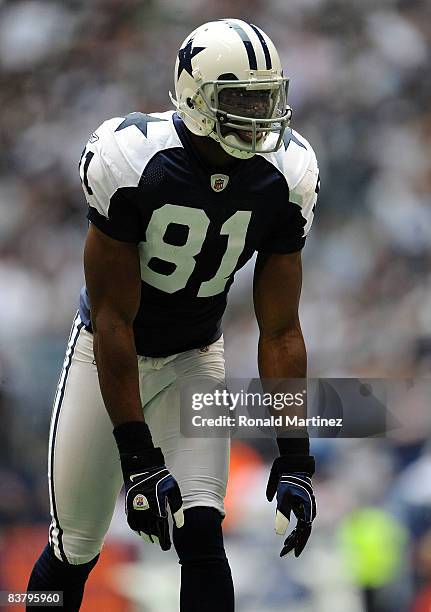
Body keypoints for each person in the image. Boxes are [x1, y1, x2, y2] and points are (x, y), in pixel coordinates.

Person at [27, 18, 319, 611]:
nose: (261, 114)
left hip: (195, 356)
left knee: (203, 538)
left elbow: (282, 332)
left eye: (268, 97)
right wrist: (138, 458)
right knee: (75, 547)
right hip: (108, 356)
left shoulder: (285, 174)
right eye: (242, 98)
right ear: (196, 97)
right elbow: (112, 320)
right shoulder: (134, 158)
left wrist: (296, 457)